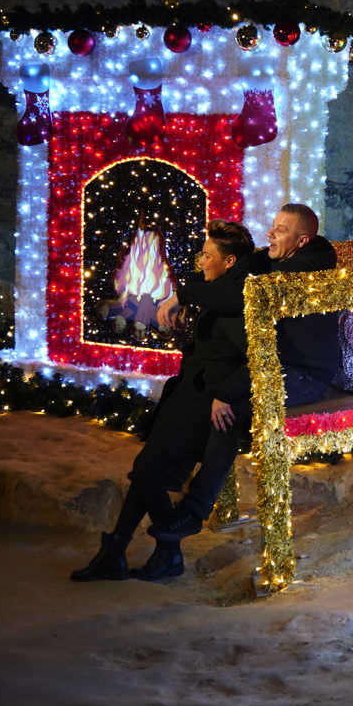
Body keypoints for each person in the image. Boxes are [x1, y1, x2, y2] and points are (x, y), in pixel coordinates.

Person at [71, 219, 255, 583]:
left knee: (147, 472)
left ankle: (129, 553)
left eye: (207, 255)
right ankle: (139, 554)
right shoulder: (215, 290)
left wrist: (226, 394)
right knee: (147, 471)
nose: (200, 261)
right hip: (189, 393)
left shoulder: (236, 299)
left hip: (208, 403)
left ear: (230, 261)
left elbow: (251, 357)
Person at [149, 203, 338, 543]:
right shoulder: (273, 259)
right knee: (207, 393)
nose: (270, 233)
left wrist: (227, 391)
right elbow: (235, 276)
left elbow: (243, 294)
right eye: (273, 226)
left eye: (281, 230)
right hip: (272, 364)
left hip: (304, 374)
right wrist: (184, 294)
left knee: (228, 409)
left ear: (302, 241)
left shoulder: (307, 267)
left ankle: (194, 510)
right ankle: (171, 484)